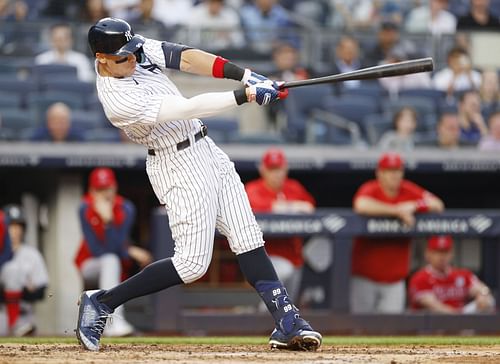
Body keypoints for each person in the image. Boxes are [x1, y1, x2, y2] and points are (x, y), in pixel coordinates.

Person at [76, 17, 321, 352]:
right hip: (175, 164)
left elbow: (186, 57)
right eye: (124, 58)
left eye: (133, 52)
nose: (133, 59)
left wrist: (245, 75)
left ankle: (288, 321)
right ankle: (103, 301)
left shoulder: (129, 48)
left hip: (206, 149)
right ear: (101, 59)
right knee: (192, 264)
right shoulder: (117, 100)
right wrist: (246, 95)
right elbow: (187, 107)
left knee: (248, 237)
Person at [350, 152, 445, 314]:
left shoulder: (408, 190)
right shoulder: (371, 188)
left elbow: (438, 204)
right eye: (389, 171)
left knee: (390, 330)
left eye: (397, 171)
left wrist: (415, 206)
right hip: (364, 277)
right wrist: (397, 211)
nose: (394, 175)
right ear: (379, 173)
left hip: (395, 280)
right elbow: (361, 205)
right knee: (359, 328)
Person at [75, 167, 152, 337]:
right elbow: (97, 250)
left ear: (114, 188)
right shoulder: (85, 207)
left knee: (112, 260)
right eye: (99, 190)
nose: (104, 195)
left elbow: (117, 248)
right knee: (110, 259)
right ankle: (113, 322)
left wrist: (109, 222)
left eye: (107, 189)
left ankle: (112, 322)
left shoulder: (126, 208)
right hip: (89, 265)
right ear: (91, 191)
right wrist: (108, 221)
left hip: (115, 264)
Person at [245, 148, 315, 303]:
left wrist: (286, 206)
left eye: (279, 169)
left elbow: (309, 206)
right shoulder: (253, 189)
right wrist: (293, 206)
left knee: (289, 305)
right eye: (272, 169)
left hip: (294, 257)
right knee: (273, 301)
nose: (276, 174)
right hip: (266, 258)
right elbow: (255, 205)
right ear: (263, 170)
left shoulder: (294, 187)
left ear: (286, 169)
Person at [409, 235, 495, 314]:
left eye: (445, 252)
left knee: (489, 301)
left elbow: (482, 289)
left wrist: (482, 294)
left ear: (452, 253)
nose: (442, 257)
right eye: (437, 252)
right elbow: (436, 307)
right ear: (428, 254)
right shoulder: (420, 278)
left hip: (463, 321)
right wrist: (459, 317)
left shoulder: (463, 274)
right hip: (433, 326)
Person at [0, 204, 49, 336]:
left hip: (25, 315)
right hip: (2, 314)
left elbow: (41, 292)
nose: (14, 231)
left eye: (18, 226)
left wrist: (23, 292)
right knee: (12, 270)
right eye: (10, 226)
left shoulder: (32, 254)